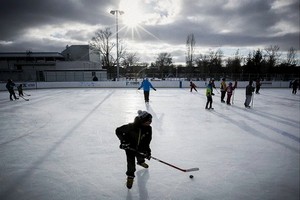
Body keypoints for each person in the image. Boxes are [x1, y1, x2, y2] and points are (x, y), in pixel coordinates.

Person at [116, 110, 153, 189]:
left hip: (140, 149)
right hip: (130, 149)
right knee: (131, 165)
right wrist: (124, 141)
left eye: (150, 121)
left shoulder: (149, 129)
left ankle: (140, 162)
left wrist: (148, 152)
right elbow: (118, 130)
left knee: (141, 156)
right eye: (148, 121)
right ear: (142, 120)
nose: (149, 123)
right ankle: (130, 177)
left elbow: (147, 141)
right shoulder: (131, 126)